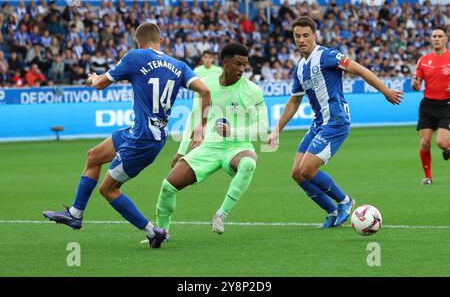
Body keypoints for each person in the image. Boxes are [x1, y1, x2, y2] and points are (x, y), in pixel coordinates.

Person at [43, 22, 211, 249]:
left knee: (108, 189)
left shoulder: (135, 56)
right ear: (159, 40)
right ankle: (75, 213)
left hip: (142, 140)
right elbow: (205, 91)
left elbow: (101, 84)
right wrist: (200, 129)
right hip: (145, 133)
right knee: (93, 156)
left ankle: (154, 232)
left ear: (138, 42)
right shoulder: (178, 65)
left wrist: (93, 78)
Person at [267, 16, 403, 228]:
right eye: (297, 36)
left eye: (306, 35)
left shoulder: (327, 56)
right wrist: (276, 130)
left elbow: (358, 69)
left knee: (308, 171)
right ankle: (331, 212)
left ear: (315, 36)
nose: (301, 40)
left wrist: (385, 91)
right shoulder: (300, 67)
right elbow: (294, 102)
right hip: (318, 123)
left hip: (336, 121)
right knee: (296, 173)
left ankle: (345, 201)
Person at [155, 43, 269, 236]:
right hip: (209, 146)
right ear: (225, 63)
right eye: (237, 64)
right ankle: (161, 233)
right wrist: (182, 150)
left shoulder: (253, 90)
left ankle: (221, 214)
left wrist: (232, 132)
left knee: (248, 162)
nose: (242, 69)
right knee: (168, 186)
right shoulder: (206, 84)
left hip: (238, 146)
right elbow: (194, 116)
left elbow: (262, 128)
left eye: (245, 65)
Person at [412, 26, 450, 185]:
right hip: (428, 105)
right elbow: (416, 82)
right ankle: (428, 177)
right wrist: (414, 84)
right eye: (434, 36)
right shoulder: (423, 60)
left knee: (441, 143)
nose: (436, 38)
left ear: (445, 39)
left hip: (446, 105)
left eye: (439, 36)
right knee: (424, 143)